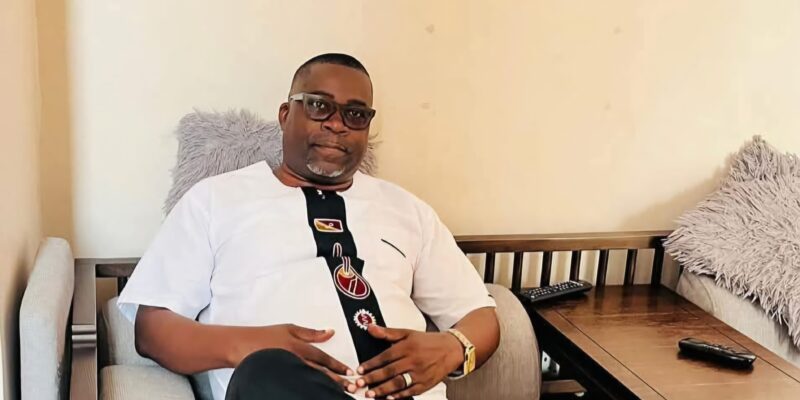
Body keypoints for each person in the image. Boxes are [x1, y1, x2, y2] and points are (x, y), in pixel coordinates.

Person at [118, 53, 500, 400]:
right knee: (265, 372)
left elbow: (480, 316)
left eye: (355, 114)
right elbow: (153, 330)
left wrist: (455, 347)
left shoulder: (407, 210)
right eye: (319, 106)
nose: (336, 124)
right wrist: (248, 345)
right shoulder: (215, 201)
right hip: (275, 390)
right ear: (286, 114)